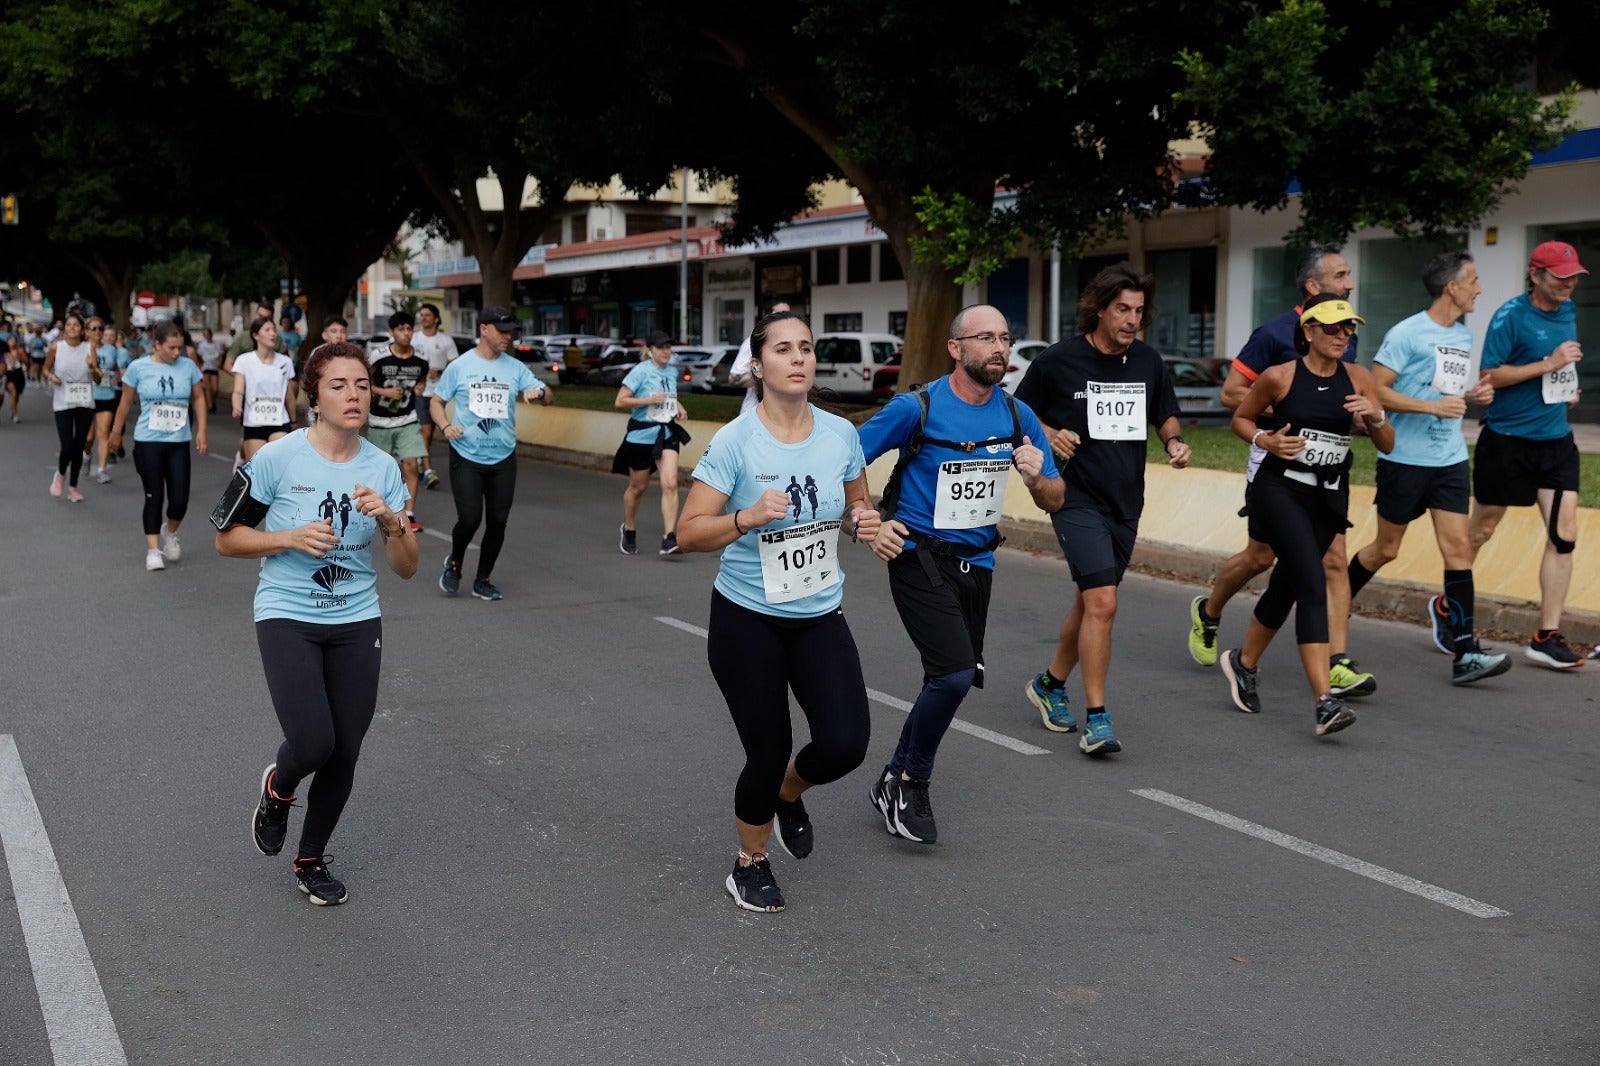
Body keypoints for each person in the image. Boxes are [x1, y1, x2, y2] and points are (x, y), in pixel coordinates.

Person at [677, 309, 880, 912]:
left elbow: (857, 502)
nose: (798, 358)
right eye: (783, 349)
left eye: (806, 348)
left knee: (846, 743)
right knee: (766, 749)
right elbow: (688, 533)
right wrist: (746, 517)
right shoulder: (736, 442)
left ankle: (790, 794)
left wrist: (867, 522)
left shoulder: (841, 433)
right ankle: (750, 862)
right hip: (747, 619)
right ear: (759, 363)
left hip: (819, 612)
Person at [215, 341, 417, 906]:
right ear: (314, 396)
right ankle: (278, 789)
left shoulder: (383, 468)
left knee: (345, 750)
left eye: (361, 385)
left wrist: (394, 523)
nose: (354, 396)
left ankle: (309, 860)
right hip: (287, 613)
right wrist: (287, 537)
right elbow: (225, 539)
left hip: (357, 617)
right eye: (338, 386)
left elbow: (406, 569)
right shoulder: (276, 458)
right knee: (313, 741)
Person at [858, 303, 1063, 842]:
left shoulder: (1020, 418)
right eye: (986, 338)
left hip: (979, 563)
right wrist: (869, 520)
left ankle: (890, 780)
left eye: (1005, 338)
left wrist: (1038, 479)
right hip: (916, 555)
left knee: (947, 679)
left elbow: (1056, 497)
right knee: (951, 675)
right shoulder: (916, 408)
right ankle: (912, 782)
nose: (1000, 348)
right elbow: (844, 458)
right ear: (956, 348)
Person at [1187, 244, 1376, 698]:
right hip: (1274, 457)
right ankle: (1210, 613)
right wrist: (1288, 412)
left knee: (1329, 559)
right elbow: (1234, 393)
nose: (1349, 284)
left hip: (1325, 474)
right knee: (1261, 558)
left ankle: (1337, 662)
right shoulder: (1273, 333)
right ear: (1313, 287)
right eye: (1340, 276)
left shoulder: (1343, 336)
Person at [1014, 267, 1187, 756]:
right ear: (1100, 309)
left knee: (1091, 602)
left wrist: (1173, 440)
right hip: (1074, 496)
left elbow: (1164, 411)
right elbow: (1015, 414)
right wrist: (1047, 433)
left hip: (1126, 502)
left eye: (1138, 311)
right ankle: (1097, 719)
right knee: (1104, 602)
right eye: (1122, 310)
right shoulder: (1058, 360)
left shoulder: (1148, 362)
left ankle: (1050, 684)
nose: (1132, 320)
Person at [1221, 295, 1394, 736]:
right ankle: (1324, 701)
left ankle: (1243, 663)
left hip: (1329, 496)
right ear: (1310, 331)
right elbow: (1239, 418)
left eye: (1349, 329)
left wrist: (1374, 418)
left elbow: (1388, 443)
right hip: (1279, 489)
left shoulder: (1359, 378)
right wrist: (1265, 440)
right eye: (1333, 329)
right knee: (1313, 582)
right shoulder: (1279, 377)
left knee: (1287, 585)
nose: (1343, 336)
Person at [1343, 252, 1511, 685]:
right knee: (1386, 549)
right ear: (1450, 288)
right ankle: (1331, 603)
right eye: (1472, 281)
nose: (1479, 288)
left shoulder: (1463, 335)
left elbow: (1447, 390)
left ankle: (1466, 651)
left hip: (1450, 458)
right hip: (1404, 459)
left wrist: (1474, 396)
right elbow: (1376, 391)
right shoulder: (1407, 333)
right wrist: (1430, 407)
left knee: (1457, 548)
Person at [1468, 241, 1589, 669]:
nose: (1569, 283)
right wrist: (1548, 365)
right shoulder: (1510, 315)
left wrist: (1565, 390)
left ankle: (1545, 634)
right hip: (1507, 442)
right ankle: (1450, 605)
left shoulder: (1569, 312)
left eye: (1573, 275)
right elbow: (1490, 374)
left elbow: (1558, 366)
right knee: (1480, 532)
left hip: (1555, 441)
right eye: (1560, 276)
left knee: (1565, 533)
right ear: (1536, 275)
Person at [429, 305, 553, 601]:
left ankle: (482, 578)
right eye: (502, 330)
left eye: (510, 330)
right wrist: (446, 427)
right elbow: (436, 402)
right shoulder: (460, 366)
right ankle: (455, 563)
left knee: (498, 520)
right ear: (483, 329)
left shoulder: (515, 367)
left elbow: (548, 395)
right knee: (470, 519)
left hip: (503, 456)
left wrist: (541, 393)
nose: (508, 336)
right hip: (467, 455)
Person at [108, 320, 208, 570]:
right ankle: (153, 550)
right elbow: (125, 403)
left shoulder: (189, 367)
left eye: (180, 348)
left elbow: (198, 397)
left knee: (179, 500)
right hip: (148, 441)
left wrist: (202, 430)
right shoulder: (138, 368)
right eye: (171, 348)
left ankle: (170, 532)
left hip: (178, 442)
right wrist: (116, 432)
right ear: (156, 345)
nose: (177, 353)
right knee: (154, 496)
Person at [614, 330, 691, 556]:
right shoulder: (639, 372)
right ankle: (628, 527)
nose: (666, 352)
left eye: (669, 347)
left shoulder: (672, 372)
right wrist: (648, 400)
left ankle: (669, 537)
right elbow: (619, 401)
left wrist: (678, 407)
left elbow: (669, 399)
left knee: (670, 483)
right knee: (638, 487)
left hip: (666, 433)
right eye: (661, 348)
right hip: (641, 436)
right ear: (650, 350)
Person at [366, 311, 430, 532]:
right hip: (380, 421)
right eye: (401, 329)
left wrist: (420, 388)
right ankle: (377, 511)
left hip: (407, 419)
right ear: (391, 332)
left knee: (411, 465)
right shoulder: (378, 356)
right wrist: (384, 391)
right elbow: (365, 383)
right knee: (378, 470)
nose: (406, 333)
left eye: (409, 328)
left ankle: (409, 514)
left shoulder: (420, 358)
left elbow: (422, 379)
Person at [43, 312, 101, 503]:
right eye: (69, 325)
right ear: (64, 329)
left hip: (84, 402)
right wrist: (52, 377)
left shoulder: (89, 347)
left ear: (82, 330)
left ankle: (73, 487)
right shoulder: (56, 347)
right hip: (63, 403)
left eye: (76, 325)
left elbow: (98, 379)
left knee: (78, 447)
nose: (72, 328)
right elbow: (45, 369)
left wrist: (93, 368)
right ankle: (60, 474)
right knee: (67, 446)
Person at [231, 316, 298, 463]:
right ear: (255, 335)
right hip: (254, 422)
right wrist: (236, 406)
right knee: (257, 468)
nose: (273, 334)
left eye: (274, 330)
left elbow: (289, 395)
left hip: (279, 420)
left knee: (278, 466)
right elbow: (238, 391)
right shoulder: (244, 360)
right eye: (267, 330)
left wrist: (293, 421)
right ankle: (242, 454)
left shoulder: (285, 362)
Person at [411, 303, 455, 490]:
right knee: (426, 431)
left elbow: (455, 367)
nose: (423, 318)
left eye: (427, 315)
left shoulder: (446, 340)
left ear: (436, 318)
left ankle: (421, 460)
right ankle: (429, 471)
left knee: (428, 435)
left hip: (440, 394)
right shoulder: (413, 338)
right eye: (421, 315)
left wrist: (441, 371)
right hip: (420, 392)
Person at [728, 297, 791, 415]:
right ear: (767, 317)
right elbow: (733, 378)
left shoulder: (792, 343)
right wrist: (765, 376)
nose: (786, 319)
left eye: (788, 315)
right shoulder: (755, 341)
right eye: (780, 315)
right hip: (754, 416)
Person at [89, 323, 132, 483]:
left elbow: (117, 368)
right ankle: (87, 455)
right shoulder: (84, 348)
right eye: (95, 329)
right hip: (87, 396)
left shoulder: (113, 350)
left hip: (106, 394)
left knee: (103, 432)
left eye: (101, 329)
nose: (98, 332)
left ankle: (102, 470)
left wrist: (117, 377)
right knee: (88, 438)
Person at [197, 327, 224, 412]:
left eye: (208, 334)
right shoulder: (202, 344)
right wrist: (200, 363)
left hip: (214, 367)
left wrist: (219, 362)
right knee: (208, 387)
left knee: (215, 389)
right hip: (206, 367)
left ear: (211, 335)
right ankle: (210, 406)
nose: (207, 336)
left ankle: (212, 400)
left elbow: (220, 354)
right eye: (205, 334)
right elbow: (199, 355)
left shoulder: (216, 344)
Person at [4, 333, 25, 422]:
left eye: (14, 340)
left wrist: (20, 356)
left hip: (18, 372)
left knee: (17, 396)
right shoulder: (3, 351)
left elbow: (26, 360)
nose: (12, 342)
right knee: (14, 393)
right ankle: (16, 415)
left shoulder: (18, 350)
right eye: (10, 340)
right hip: (8, 373)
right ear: (7, 342)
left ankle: (13, 409)